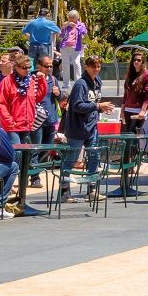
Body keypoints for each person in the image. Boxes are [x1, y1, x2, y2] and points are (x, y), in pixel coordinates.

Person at [0, 49, 43, 215]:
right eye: (25, 68)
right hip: (12, 126)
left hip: (27, 125)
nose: (28, 70)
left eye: (29, 68)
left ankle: (18, 198)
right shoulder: (7, 81)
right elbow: (1, 103)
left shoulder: (31, 80)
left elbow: (39, 97)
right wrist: (9, 121)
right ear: (17, 67)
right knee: (14, 160)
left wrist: (42, 82)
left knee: (25, 160)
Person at [58, 56, 103, 194]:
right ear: (86, 67)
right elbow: (77, 106)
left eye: (98, 66)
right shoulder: (80, 84)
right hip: (77, 128)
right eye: (93, 66)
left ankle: (92, 188)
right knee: (71, 159)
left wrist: (100, 108)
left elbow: (94, 102)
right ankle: (64, 190)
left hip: (92, 127)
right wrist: (97, 106)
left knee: (94, 156)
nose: (96, 69)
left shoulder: (97, 82)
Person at [58, 9, 88, 83]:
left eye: (73, 17)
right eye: (70, 17)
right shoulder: (66, 24)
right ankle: (66, 83)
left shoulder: (81, 24)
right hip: (65, 46)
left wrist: (76, 26)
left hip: (75, 47)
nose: (71, 19)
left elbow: (84, 32)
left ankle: (78, 81)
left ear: (77, 17)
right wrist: (63, 27)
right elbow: (61, 36)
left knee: (76, 63)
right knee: (65, 64)